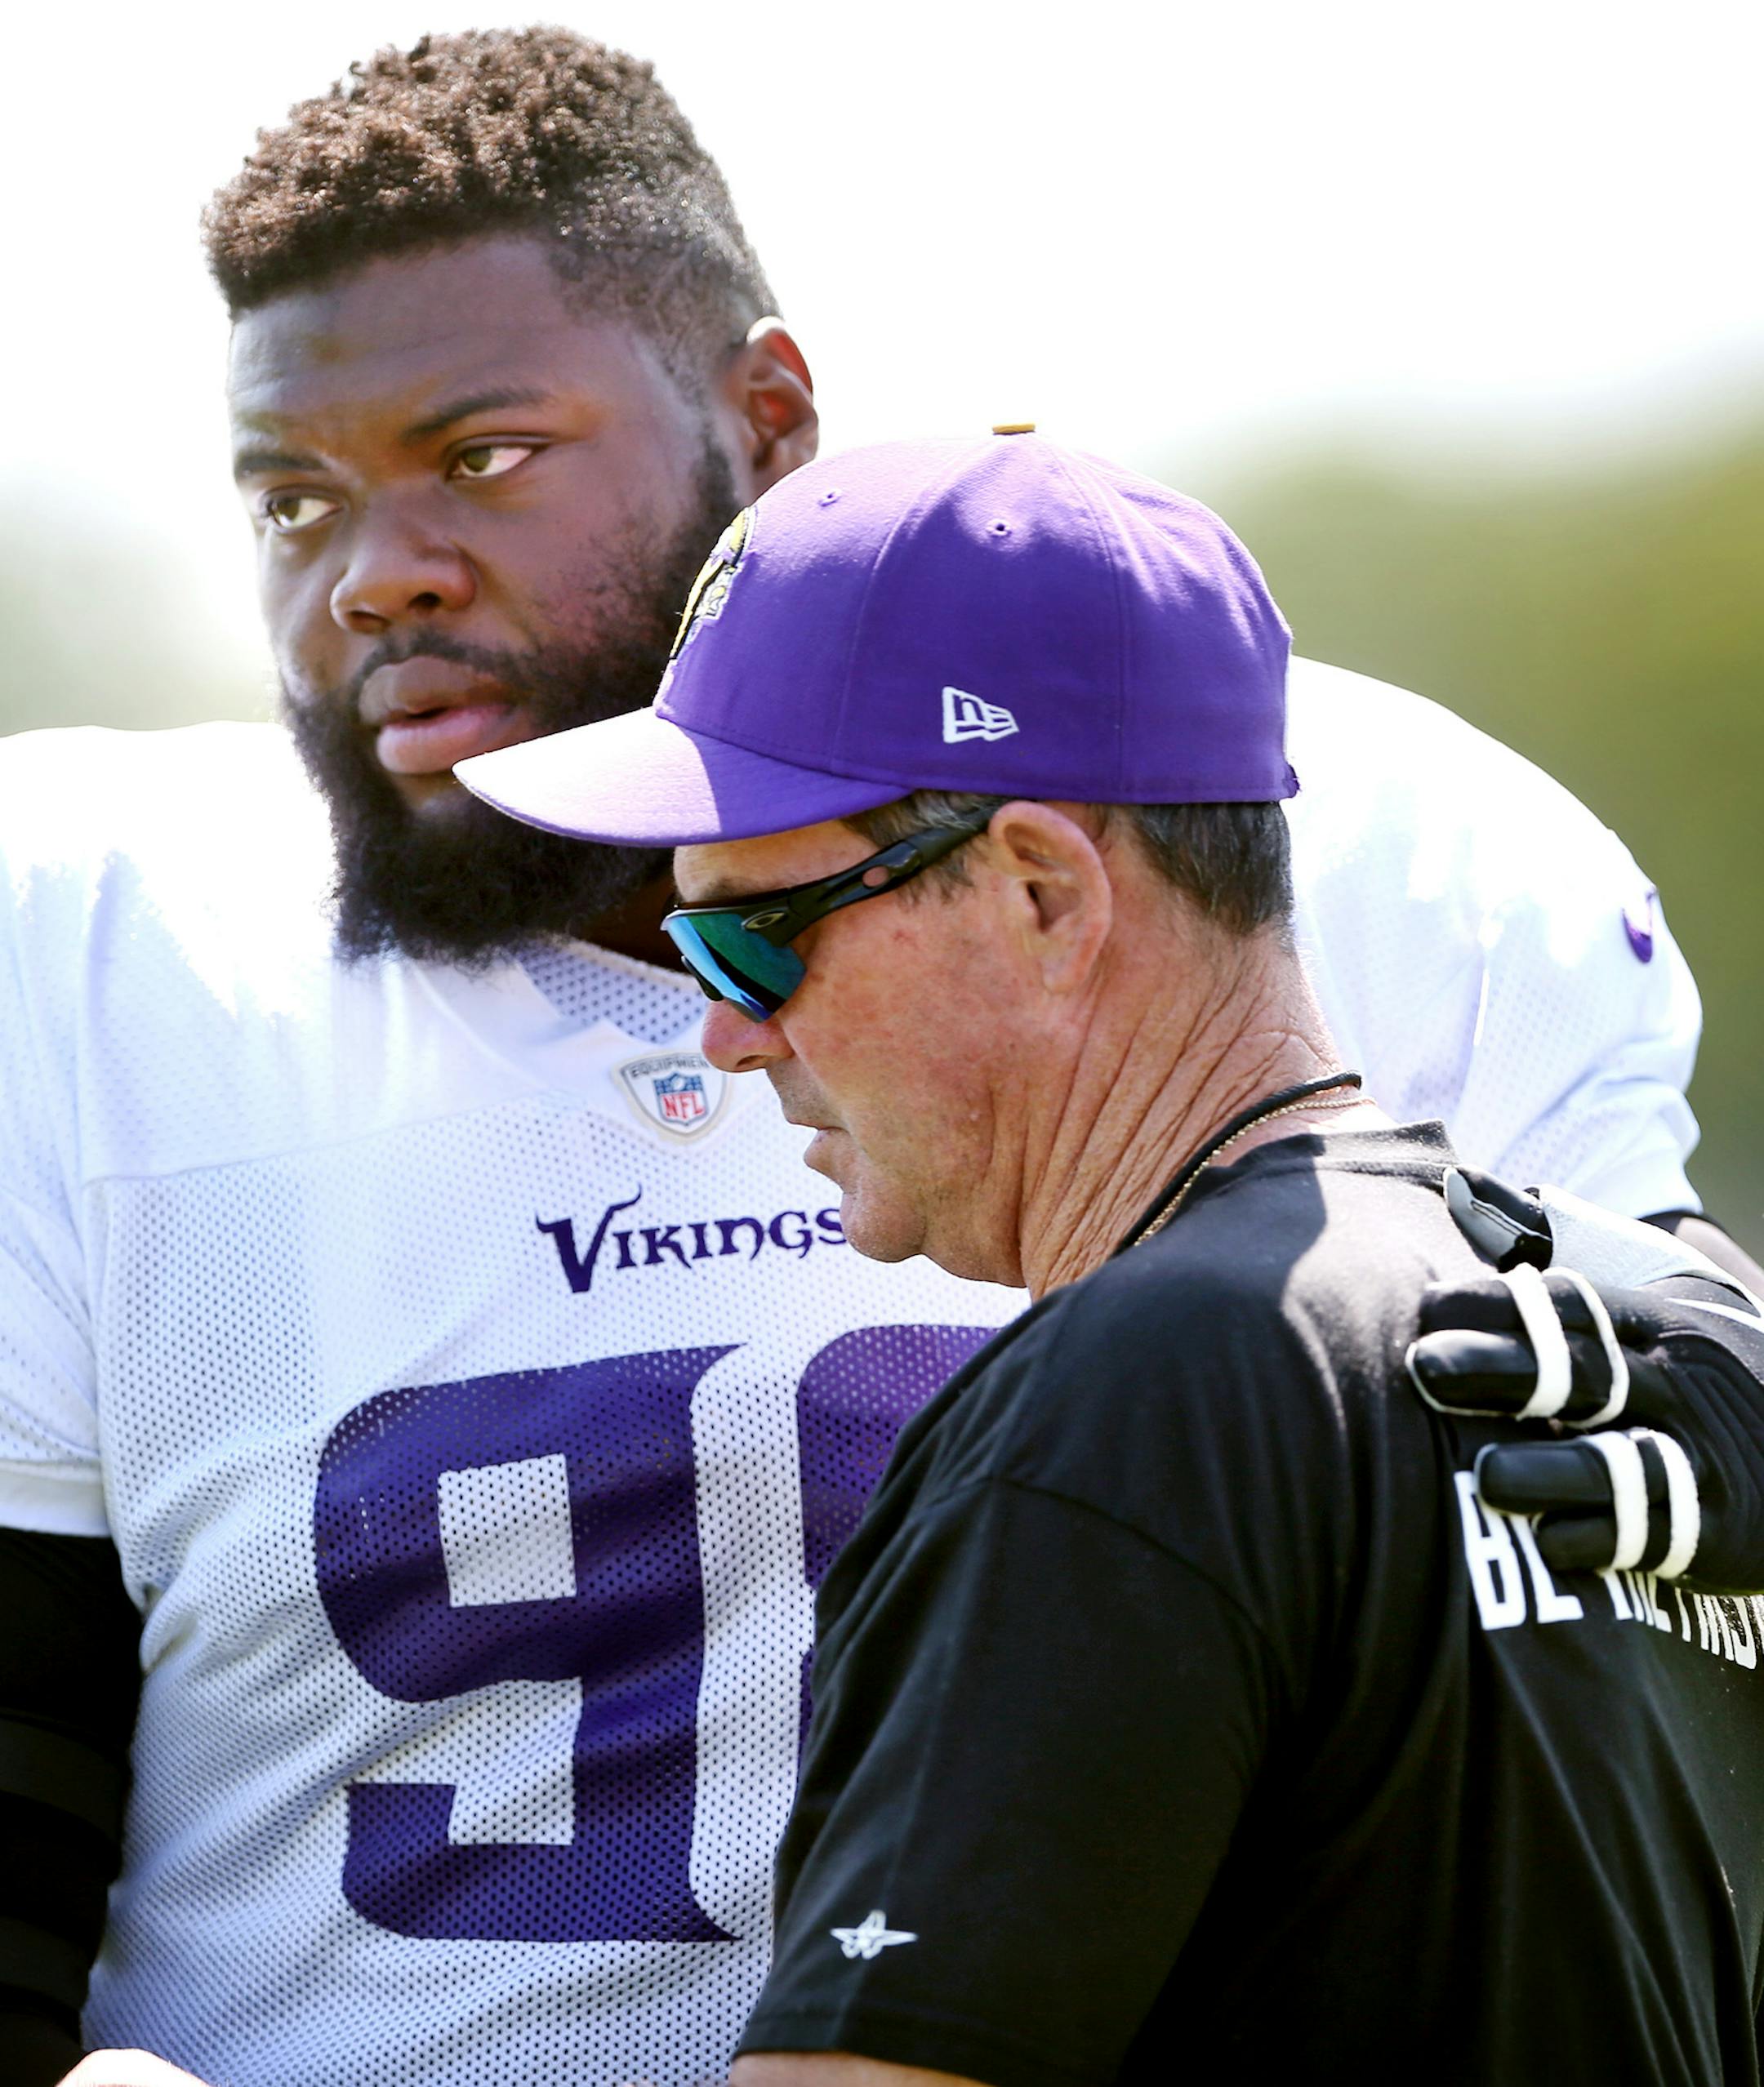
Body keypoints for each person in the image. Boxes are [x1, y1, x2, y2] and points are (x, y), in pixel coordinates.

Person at [1, 29, 1758, 2087]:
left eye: (480, 453)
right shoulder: (92, 948)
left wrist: (1709, 1353)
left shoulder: (1277, 834)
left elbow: (1613, 1567)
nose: (372, 568)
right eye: (289, 495)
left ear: (764, 422)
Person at [461, 430, 1764, 2080]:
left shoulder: (1123, 1409)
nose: (718, 1034)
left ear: (1039, 894)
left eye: (745, 936)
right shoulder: (1574, 1345)